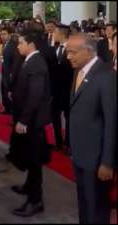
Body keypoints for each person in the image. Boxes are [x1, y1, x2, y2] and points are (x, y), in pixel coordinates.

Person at [66, 32, 116, 224]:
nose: (68, 56)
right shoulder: (78, 71)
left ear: (88, 51)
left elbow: (112, 121)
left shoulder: (106, 76)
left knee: (97, 208)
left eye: (73, 52)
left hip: (97, 160)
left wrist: (107, 162)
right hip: (80, 154)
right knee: (85, 204)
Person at [7, 28, 52, 217]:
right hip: (27, 118)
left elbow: (35, 96)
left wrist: (23, 121)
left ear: (31, 44)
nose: (18, 46)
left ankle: (35, 200)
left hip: (32, 122)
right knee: (29, 156)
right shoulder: (29, 60)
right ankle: (28, 187)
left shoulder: (36, 63)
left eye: (21, 43)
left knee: (34, 161)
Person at [50, 24, 74, 152]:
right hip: (56, 90)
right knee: (55, 116)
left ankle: (68, 143)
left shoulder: (72, 49)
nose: (53, 34)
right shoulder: (55, 48)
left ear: (62, 34)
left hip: (68, 89)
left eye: (55, 32)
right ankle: (58, 142)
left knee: (69, 117)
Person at [0, 27, 19, 115]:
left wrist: (12, 73)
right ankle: (6, 108)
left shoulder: (13, 45)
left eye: (4, 34)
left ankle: (12, 112)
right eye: (1, 34)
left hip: (9, 72)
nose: (2, 36)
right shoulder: (5, 44)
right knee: (3, 89)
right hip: (4, 70)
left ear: (10, 35)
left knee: (9, 91)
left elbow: (15, 60)